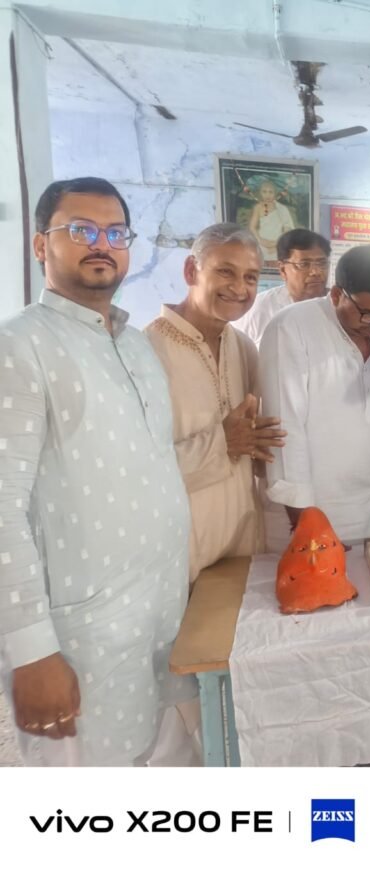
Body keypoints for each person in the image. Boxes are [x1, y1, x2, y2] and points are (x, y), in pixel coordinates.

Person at [0, 177, 195, 765]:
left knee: (166, 766)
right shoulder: (19, 346)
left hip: (161, 615)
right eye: (81, 230)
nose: (101, 245)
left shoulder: (135, 345)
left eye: (115, 233)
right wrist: (31, 652)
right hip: (82, 634)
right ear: (41, 245)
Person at [260, 245, 370, 542]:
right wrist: (304, 520)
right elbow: (286, 429)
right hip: (312, 510)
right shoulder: (291, 328)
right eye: (368, 314)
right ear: (337, 294)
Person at [145, 224, 285, 583]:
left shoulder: (244, 347)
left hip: (242, 540)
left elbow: (255, 449)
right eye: (226, 271)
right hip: (180, 550)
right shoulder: (145, 351)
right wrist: (224, 443)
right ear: (191, 271)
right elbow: (136, 472)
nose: (239, 288)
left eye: (251, 277)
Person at [235, 228, 331, 346]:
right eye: (304, 264)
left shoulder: (337, 306)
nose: (315, 272)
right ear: (282, 269)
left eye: (322, 263)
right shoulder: (260, 309)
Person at [247, 178, 295, 262]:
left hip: (278, 243)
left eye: (270, 192)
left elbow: (287, 228)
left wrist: (276, 244)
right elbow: (252, 227)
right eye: (264, 192)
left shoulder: (281, 208)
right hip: (262, 243)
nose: (267, 195)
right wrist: (260, 240)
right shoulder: (258, 207)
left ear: (275, 193)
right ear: (260, 192)